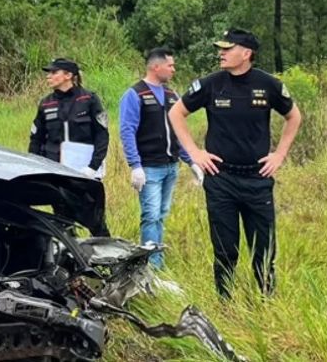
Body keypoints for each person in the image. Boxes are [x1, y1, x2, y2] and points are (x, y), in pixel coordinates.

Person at [169, 29, 302, 298]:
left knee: (263, 250)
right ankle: (225, 302)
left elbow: (294, 116)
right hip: (221, 179)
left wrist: (279, 154)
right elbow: (176, 113)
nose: (221, 53)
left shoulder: (268, 84)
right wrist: (194, 152)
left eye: (227, 49)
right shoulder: (211, 84)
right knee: (225, 249)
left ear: (246, 53)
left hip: (257, 179)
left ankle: (267, 300)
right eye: (221, 48)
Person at [119, 48, 204, 268]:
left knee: (161, 214)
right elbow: (127, 130)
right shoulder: (135, 94)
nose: (173, 69)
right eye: (170, 65)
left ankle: (156, 257)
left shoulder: (171, 95)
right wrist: (135, 165)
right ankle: (152, 266)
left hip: (171, 166)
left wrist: (191, 161)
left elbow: (178, 132)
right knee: (151, 215)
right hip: (149, 167)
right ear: (156, 67)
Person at [29, 58, 109, 179]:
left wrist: (93, 167)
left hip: (85, 170)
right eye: (48, 73)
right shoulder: (46, 103)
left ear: (68, 75)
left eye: (54, 72)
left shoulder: (89, 99)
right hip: (53, 169)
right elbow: (36, 140)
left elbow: (102, 135)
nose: (48, 76)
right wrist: (33, 167)